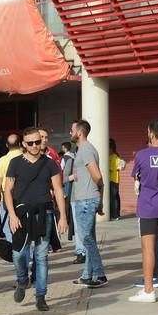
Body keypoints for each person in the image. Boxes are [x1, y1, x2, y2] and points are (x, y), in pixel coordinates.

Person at [5, 127, 68, 311]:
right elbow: (7, 190)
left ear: (42, 142)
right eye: (30, 143)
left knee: (41, 256)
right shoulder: (15, 162)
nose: (34, 146)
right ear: (23, 144)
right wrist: (11, 214)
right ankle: (22, 280)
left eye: (37, 142)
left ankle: (41, 295)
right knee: (18, 254)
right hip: (21, 214)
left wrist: (62, 216)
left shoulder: (50, 164)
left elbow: (58, 190)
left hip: (44, 214)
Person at [128, 120, 158, 302]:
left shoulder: (141, 155)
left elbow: (136, 177)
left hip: (147, 207)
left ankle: (149, 291)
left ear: (151, 133)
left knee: (148, 249)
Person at [69, 119, 108, 288]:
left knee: (86, 239)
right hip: (86, 199)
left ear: (79, 132)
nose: (70, 133)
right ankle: (87, 275)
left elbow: (98, 176)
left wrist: (97, 198)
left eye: (72, 130)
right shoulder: (85, 149)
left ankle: (99, 274)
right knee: (88, 238)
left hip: (85, 200)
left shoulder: (85, 150)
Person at [0, 133, 23, 242]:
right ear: (20, 144)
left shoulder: (2, 160)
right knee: (24, 227)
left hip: (6, 197)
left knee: (7, 227)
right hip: (23, 196)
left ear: (6, 145)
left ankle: (13, 248)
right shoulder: (25, 157)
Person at [61, 142, 86, 264]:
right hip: (75, 198)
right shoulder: (71, 162)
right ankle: (80, 251)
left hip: (87, 197)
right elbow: (63, 178)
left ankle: (86, 250)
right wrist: (73, 176)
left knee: (86, 227)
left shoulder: (89, 162)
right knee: (77, 227)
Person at [108, 139, 125, 220]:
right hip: (114, 180)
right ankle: (116, 214)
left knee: (113, 198)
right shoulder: (115, 156)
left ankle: (114, 215)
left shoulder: (114, 157)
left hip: (113, 180)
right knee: (115, 197)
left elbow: (111, 169)